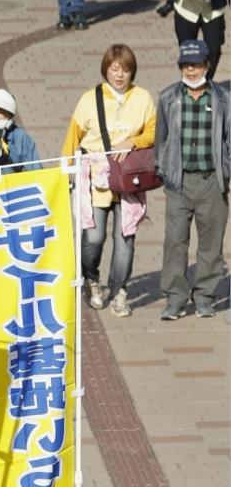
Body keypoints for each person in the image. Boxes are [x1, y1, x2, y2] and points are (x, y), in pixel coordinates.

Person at [61, 43, 157, 315]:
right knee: (93, 237)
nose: (119, 75)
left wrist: (134, 141)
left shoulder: (143, 98)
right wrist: (65, 172)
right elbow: (73, 137)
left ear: (132, 72)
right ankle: (91, 279)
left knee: (125, 237)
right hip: (95, 177)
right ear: (105, 69)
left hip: (129, 179)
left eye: (125, 70)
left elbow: (154, 132)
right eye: (114, 69)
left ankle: (119, 290)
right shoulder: (89, 99)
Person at [156, 38, 229, 319]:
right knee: (175, 240)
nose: (191, 71)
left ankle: (204, 296)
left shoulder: (223, 98)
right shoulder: (168, 97)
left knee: (211, 241)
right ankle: (175, 297)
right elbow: (160, 140)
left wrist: (226, 170)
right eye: (186, 65)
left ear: (207, 66)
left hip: (213, 181)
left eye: (196, 65)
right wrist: (164, 171)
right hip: (180, 181)